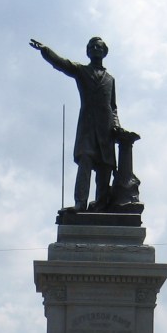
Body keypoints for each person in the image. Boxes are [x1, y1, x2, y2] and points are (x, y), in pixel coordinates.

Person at [30, 36, 121, 212]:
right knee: (85, 162)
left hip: (106, 129)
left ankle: (101, 205)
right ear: (87, 51)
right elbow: (62, 63)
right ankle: (81, 203)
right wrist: (45, 50)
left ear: (105, 52)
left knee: (105, 168)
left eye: (99, 47)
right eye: (92, 46)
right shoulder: (81, 70)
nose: (96, 49)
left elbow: (113, 106)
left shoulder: (110, 79)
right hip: (87, 126)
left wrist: (116, 125)